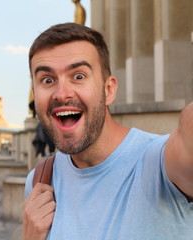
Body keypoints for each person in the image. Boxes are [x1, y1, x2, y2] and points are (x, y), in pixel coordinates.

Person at [23, 23, 193, 239]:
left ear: (109, 90)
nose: (61, 93)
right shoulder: (39, 181)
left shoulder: (159, 165)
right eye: (47, 80)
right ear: (34, 95)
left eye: (79, 76)